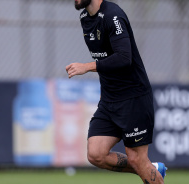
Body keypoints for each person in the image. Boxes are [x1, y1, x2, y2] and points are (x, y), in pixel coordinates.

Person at [66, 0, 167, 183]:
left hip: (133, 98)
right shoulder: (84, 18)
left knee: (137, 158)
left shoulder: (113, 15)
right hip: (109, 100)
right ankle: (148, 168)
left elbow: (124, 57)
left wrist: (87, 67)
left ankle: (145, 167)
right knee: (96, 154)